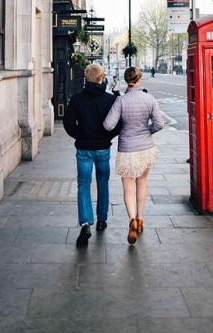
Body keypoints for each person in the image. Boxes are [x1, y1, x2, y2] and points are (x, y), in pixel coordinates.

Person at [103, 66, 164, 245]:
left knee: (128, 187)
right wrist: (147, 131)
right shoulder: (149, 99)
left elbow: (108, 125)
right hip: (146, 147)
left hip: (127, 148)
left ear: (126, 80)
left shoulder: (120, 101)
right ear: (139, 79)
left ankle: (131, 220)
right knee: (142, 182)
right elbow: (159, 124)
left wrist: (124, 129)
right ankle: (140, 218)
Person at [63, 63, 121, 247]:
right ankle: (102, 219)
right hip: (103, 148)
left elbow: (68, 122)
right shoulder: (110, 100)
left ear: (86, 78)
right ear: (101, 78)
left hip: (84, 149)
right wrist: (107, 136)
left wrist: (80, 135)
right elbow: (117, 124)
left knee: (83, 185)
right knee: (103, 182)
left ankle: (86, 223)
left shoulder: (77, 99)